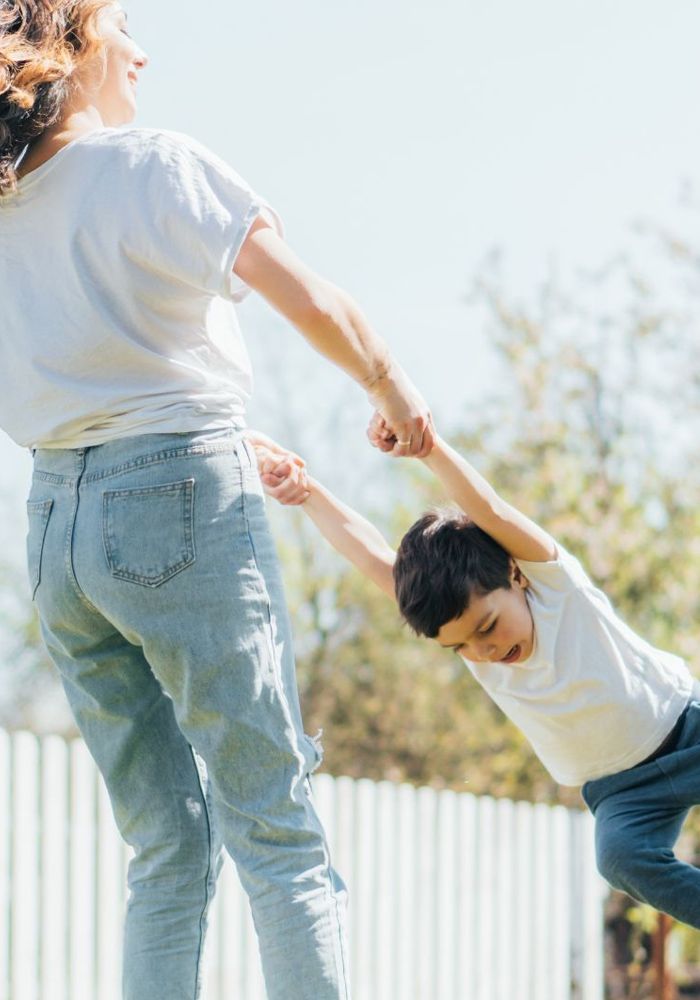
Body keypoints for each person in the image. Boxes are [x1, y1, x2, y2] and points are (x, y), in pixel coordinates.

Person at [0, 3, 436, 998]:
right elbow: (311, 300)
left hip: (56, 532)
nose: (143, 51)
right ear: (74, 45)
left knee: (165, 846)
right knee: (277, 831)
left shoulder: (7, 208)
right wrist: (392, 388)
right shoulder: (153, 164)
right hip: (179, 499)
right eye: (122, 26)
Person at [252, 420, 700, 929]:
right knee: (619, 859)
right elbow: (372, 556)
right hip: (621, 791)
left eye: (487, 627)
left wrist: (427, 446)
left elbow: (489, 509)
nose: (483, 650)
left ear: (515, 574)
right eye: (460, 645)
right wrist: (306, 493)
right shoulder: (470, 639)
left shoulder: (555, 586)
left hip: (686, 729)